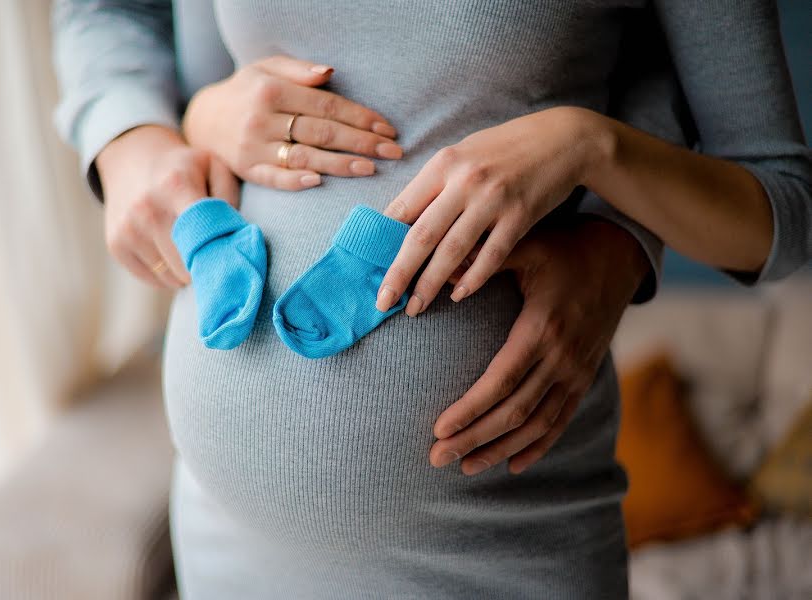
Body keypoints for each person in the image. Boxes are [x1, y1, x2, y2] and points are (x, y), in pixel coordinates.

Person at [51, 1, 812, 598]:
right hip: (227, 542)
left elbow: (780, 207)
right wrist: (131, 135)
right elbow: (111, 12)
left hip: (503, 545)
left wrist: (591, 152)